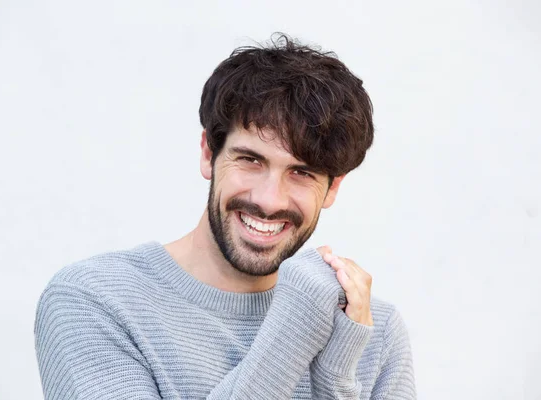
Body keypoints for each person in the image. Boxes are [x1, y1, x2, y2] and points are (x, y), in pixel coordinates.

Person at [34, 33, 416, 399]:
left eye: (302, 172)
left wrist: (336, 374)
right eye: (251, 160)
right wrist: (298, 326)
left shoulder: (371, 331)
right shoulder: (96, 301)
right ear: (207, 154)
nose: (269, 200)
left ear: (332, 187)